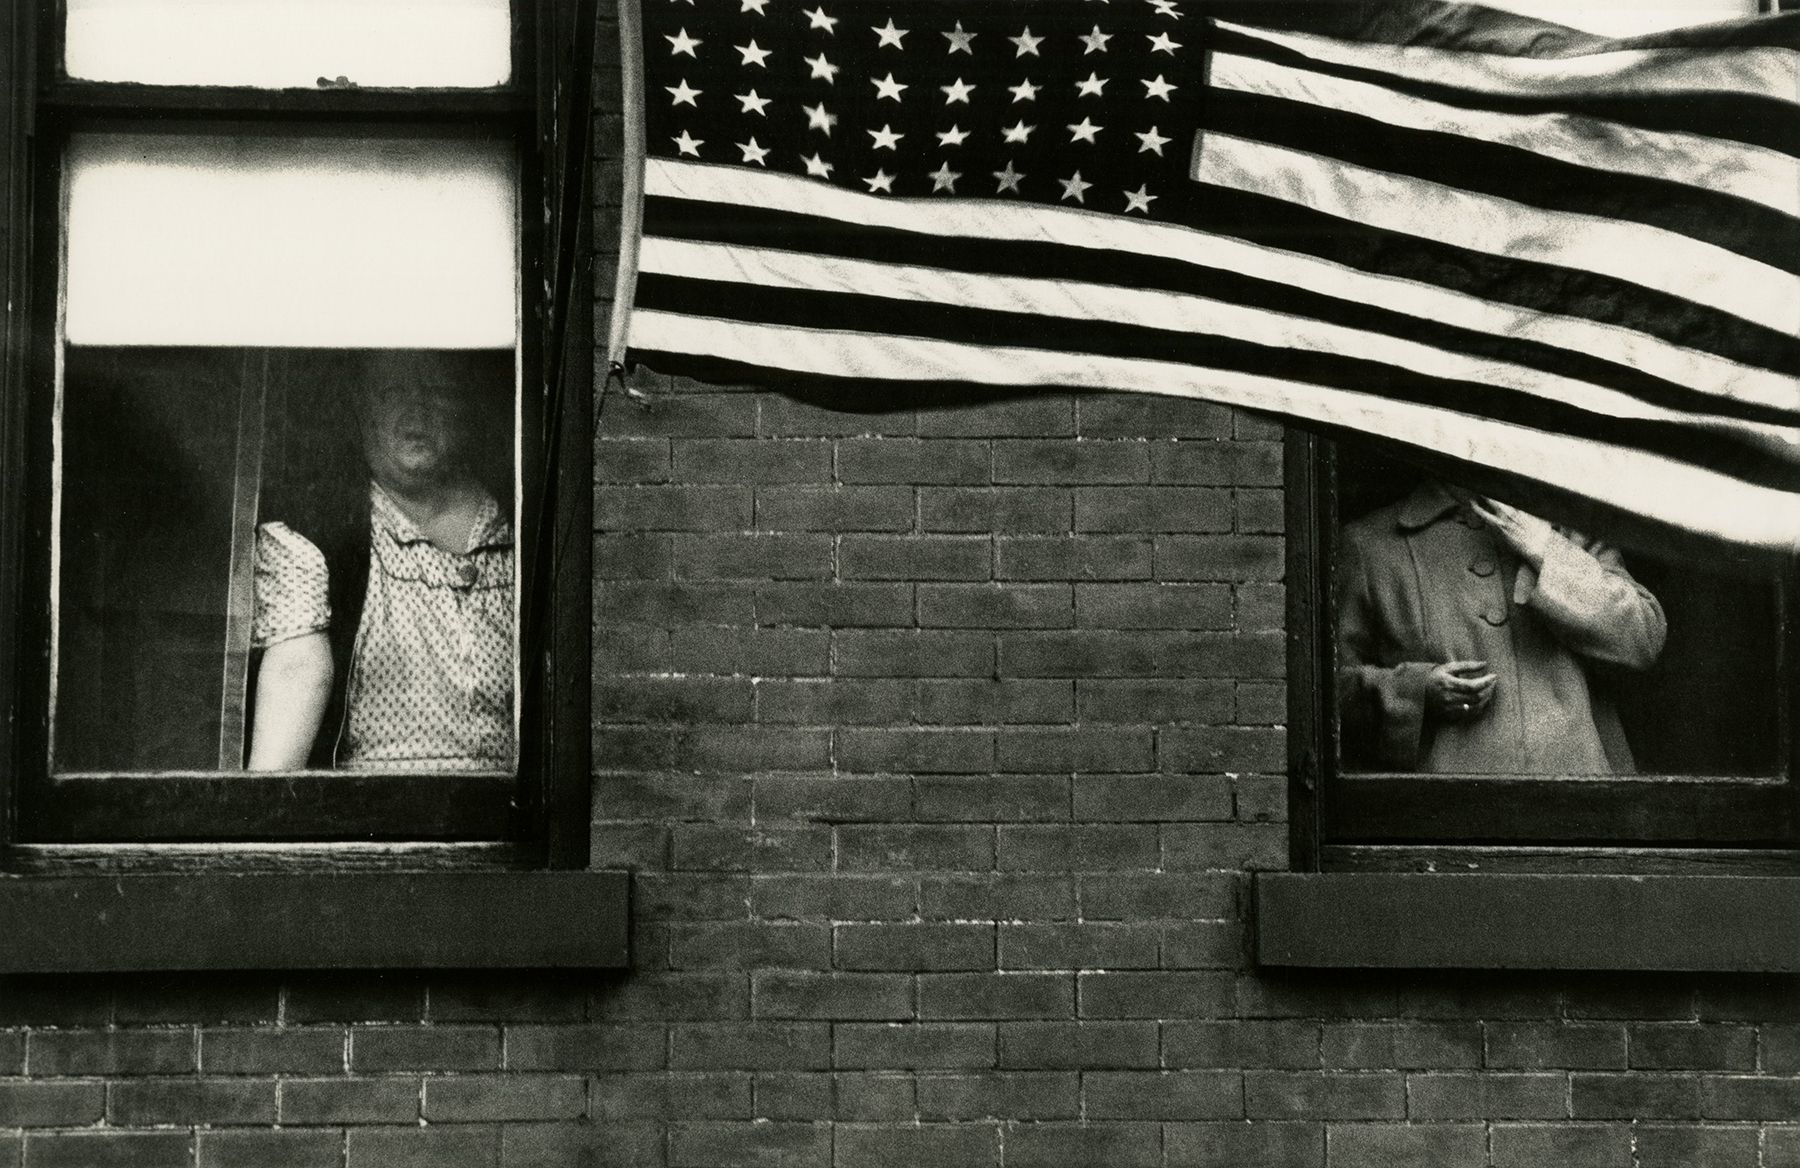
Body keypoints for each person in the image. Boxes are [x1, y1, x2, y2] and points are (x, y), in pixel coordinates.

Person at [246, 353, 514, 771]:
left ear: (465, 405)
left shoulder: (519, 527)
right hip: (376, 805)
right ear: (361, 405)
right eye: (393, 391)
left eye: (437, 391)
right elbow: (296, 670)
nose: (417, 410)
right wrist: (261, 805)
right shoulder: (317, 535)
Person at [1336, 479, 1665, 774]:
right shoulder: (1370, 543)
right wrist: (1417, 691)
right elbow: (1328, 690)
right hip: (1446, 806)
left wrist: (1545, 549)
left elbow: (1643, 638)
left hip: (1579, 800)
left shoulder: (1571, 527)